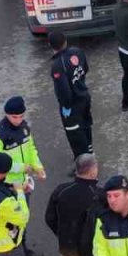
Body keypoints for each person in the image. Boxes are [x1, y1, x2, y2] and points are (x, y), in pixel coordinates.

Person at [0, 96, 46, 256]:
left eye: (21, 116)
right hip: (7, 187)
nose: (18, 120)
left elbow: (31, 148)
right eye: (14, 117)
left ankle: (23, 251)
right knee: (11, 225)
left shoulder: (24, 128)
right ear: (6, 114)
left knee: (22, 221)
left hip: (23, 185)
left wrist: (37, 166)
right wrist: (21, 168)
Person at [49, 31, 93, 163]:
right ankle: (90, 152)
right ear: (65, 41)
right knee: (86, 126)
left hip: (73, 106)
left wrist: (66, 107)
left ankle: (84, 164)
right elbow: (85, 69)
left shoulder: (57, 65)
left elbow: (64, 91)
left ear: (51, 46)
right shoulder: (77, 51)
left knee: (75, 134)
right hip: (84, 97)